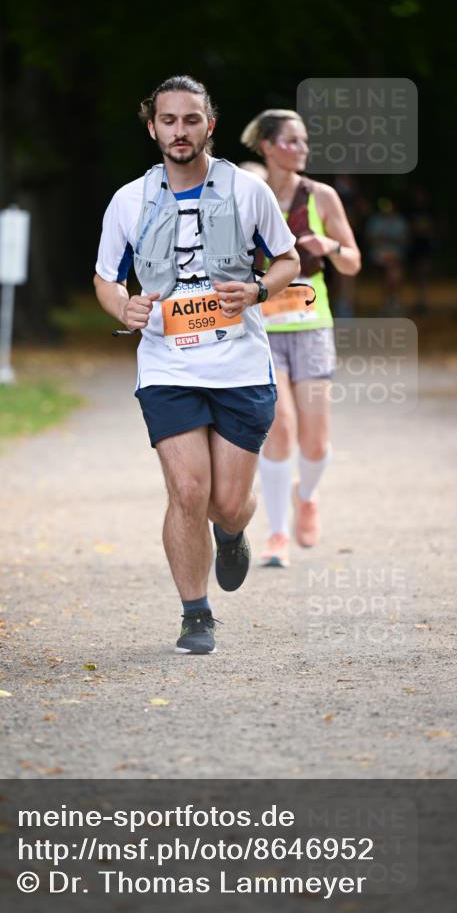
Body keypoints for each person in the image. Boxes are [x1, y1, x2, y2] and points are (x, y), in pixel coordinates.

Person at [94, 76, 299, 654]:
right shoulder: (129, 200)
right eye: (168, 120)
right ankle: (195, 614)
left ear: (209, 124)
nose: (179, 131)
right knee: (187, 490)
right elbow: (106, 278)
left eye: (191, 120)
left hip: (240, 365)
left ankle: (231, 533)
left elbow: (288, 259)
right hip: (168, 366)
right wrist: (123, 306)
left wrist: (257, 290)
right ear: (152, 127)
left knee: (225, 503)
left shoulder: (248, 191)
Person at [240, 109, 361, 568]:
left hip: (312, 327)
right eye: (292, 141)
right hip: (262, 330)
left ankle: (306, 495)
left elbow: (352, 262)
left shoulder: (321, 196)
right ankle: (276, 534)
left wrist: (329, 246)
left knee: (315, 442)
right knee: (280, 431)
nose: (302, 149)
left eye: (305, 141)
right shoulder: (248, 194)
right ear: (268, 147)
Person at [364, 197, 409, 316]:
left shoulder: (399, 221)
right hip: (378, 256)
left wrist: (385, 238)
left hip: (395, 256)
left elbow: (404, 240)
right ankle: (389, 301)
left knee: (393, 272)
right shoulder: (375, 221)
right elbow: (370, 238)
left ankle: (392, 301)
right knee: (389, 273)